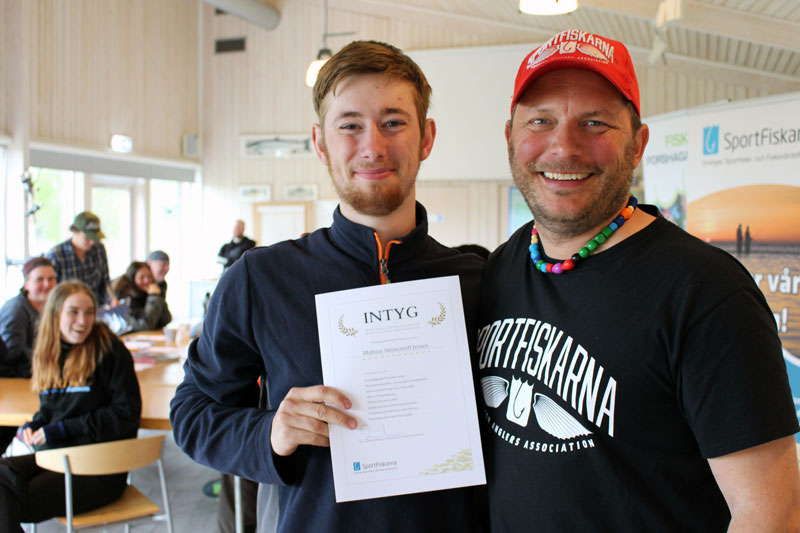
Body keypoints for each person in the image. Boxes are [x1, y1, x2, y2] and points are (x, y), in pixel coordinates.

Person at [476, 29, 800, 531]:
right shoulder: (500, 268)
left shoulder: (706, 294)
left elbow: (771, 512)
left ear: (639, 143)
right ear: (510, 137)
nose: (564, 147)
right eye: (541, 121)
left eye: (594, 122)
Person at [170, 40, 485, 532]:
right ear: (320, 143)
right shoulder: (261, 279)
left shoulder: (478, 279)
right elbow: (193, 413)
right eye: (350, 125)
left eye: (394, 122)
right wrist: (269, 432)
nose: (373, 146)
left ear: (426, 138)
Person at [0, 281, 141, 530]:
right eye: (73, 312)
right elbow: (51, 410)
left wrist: (63, 429)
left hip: (99, 466)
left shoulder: (110, 350)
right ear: (55, 313)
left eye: (89, 312)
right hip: (56, 456)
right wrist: (35, 424)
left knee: (6, 501)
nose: (83, 321)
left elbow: (126, 414)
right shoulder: (47, 352)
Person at [0, 257, 57, 378]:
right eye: (39, 279)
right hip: (17, 382)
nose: (47, 284)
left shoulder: (49, 308)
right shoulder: (16, 309)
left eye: (51, 279)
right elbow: (14, 354)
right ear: (26, 284)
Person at [45, 211, 111, 305]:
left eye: (95, 238)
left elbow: (105, 282)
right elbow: (51, 293)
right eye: (87, 238)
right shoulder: (56, 255)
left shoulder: (99, 249)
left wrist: (112, 299)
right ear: (74, 231)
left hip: (95, 308)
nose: (92, 242)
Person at [111, 261, 172, 332]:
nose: (146, 280)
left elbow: (166, 319)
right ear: (133, 279)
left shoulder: (147, 293)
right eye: (141, 277)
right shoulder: (126, 299)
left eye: (149, 276)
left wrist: (158, 296)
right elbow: (146, 325)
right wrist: (154, 296)